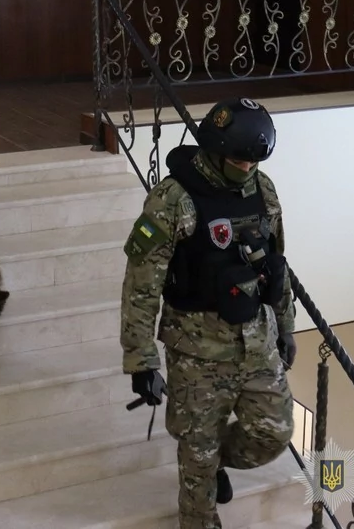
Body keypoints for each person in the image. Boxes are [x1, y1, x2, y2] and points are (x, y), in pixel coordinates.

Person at [120, 97, 299, 529]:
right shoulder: (172, 199)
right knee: (196, 457)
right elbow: (141, 285)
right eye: (239, 160)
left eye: (254, 161)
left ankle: (215, 457)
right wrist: (141, 360)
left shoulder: (263, 189)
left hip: (256, 340)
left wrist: (286, 326)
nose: (248, 168)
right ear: (215, 150)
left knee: (274, 432)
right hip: (196, 353)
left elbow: (276, 266)